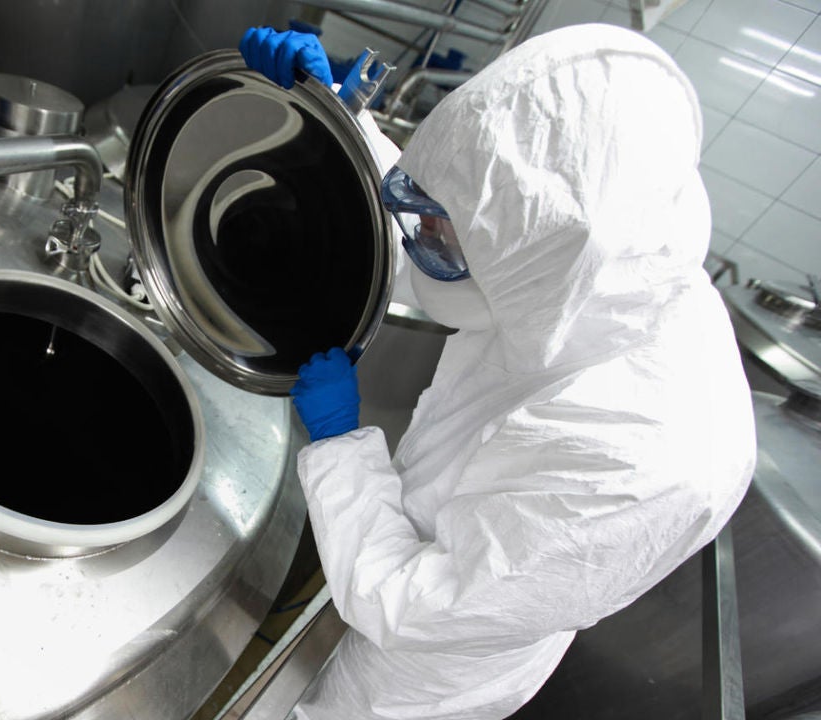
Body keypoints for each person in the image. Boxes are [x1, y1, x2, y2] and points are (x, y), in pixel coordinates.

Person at [240, 23, 756, 720]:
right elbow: (465, 207)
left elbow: (414, 604)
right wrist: (338, 116)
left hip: (414, 674)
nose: (425, 240)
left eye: (445, 236)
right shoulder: (587, 262)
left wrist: (339, 448)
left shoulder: (644, 461)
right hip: (401, 542)